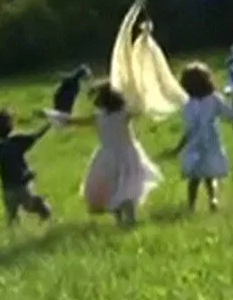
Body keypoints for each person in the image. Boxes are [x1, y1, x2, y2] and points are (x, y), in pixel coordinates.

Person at [52, 81, 162, 227]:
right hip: (128, 153)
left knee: (112, 186)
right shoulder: (124, 113)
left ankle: (119, 219)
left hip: (107, 155)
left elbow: (74, 122)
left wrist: (54, 116)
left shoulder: (100, 116)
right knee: (127, 185)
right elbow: (140, 108)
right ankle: (130, 217)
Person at [170, 62, 233, 212]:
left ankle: (191, 205)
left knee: (194, 179)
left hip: (194, 145)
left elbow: (189, 129)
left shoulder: (188, 104)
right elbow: (230, 115)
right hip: (211, 143)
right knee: (210, 175)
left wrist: (179, 146)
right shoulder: (214, 99)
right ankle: (213, 199)